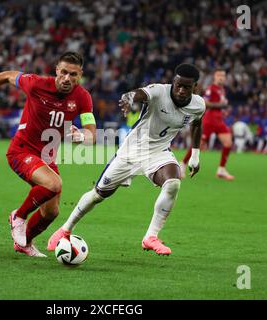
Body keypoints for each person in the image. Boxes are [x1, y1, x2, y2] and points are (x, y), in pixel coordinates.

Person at [48, 63, 205, 256]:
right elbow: (140, 94)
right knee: (98, 194)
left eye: (186, 87)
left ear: (194, 87)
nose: (181, 90)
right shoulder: (159, 91)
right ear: (173, 81)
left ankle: (151, 237)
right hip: (130, 151)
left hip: (158, 152)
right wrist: (128, 97)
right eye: (178, 85)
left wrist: (195, 155)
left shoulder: (198, 105)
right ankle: (65, 229)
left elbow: (197, 124)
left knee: (173, 182)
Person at [0, 52, 96, 258]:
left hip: (47, 158)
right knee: (54, 184)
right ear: (57, 70)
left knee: (51, 212)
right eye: (64, 72)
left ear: (80, 75)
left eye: (73, 75)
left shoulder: (82, 97)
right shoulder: (36, 83)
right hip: (21, 150)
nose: (67, 78)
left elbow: (91, 132)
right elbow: (7, 75)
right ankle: (18, 216)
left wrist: (82, 136)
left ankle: (24, 244)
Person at [181, 69, 234, 180]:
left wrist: (223, 109)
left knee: (228, 142)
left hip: (219, 120)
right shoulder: (211, 89)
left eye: (223, 75)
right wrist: (220, 105)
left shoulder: (222, 90)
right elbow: (206, 103)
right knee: (198, 144)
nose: (221, 77)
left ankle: (221, 169)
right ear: (214, 76)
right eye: (219, 75)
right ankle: (183, 165)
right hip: (209, 120)